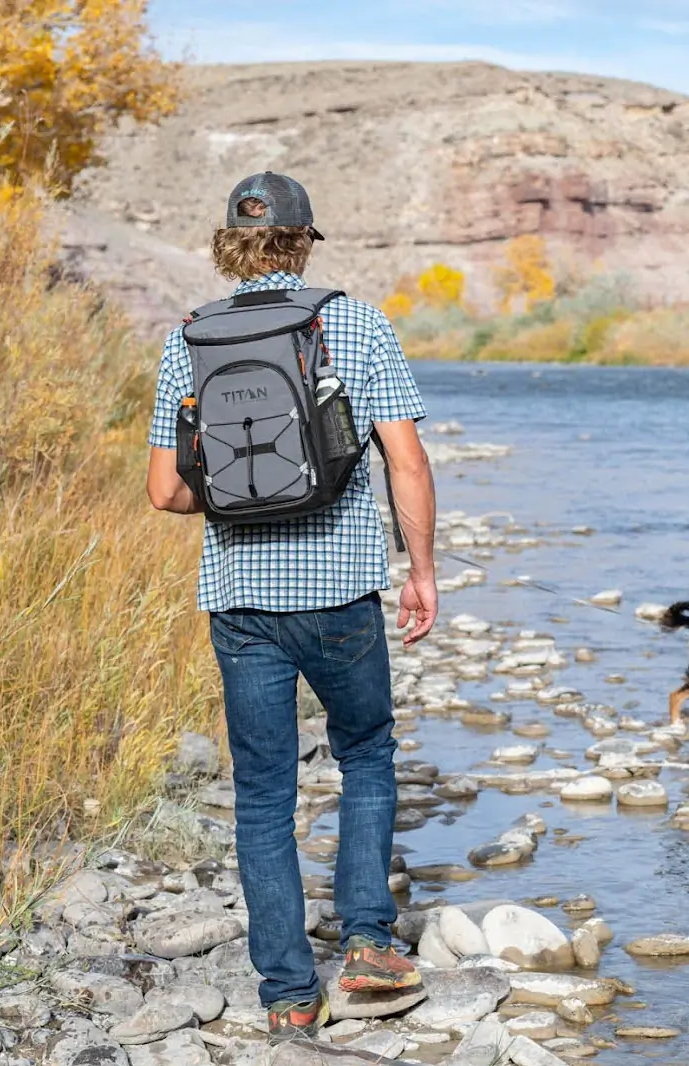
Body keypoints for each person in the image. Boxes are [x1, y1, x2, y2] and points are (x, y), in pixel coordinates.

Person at [145, 172, 438, 1042]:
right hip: (342, 590)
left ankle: (286, 995)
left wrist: (239, 500)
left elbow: (164, 491)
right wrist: (420, 570)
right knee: (368, 756)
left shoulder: (186, 339)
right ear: (306, 241)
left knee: (264, 794)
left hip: (240, 600)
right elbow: (407, 461)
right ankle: (369, 949)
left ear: (229, 245)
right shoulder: (352, 321)